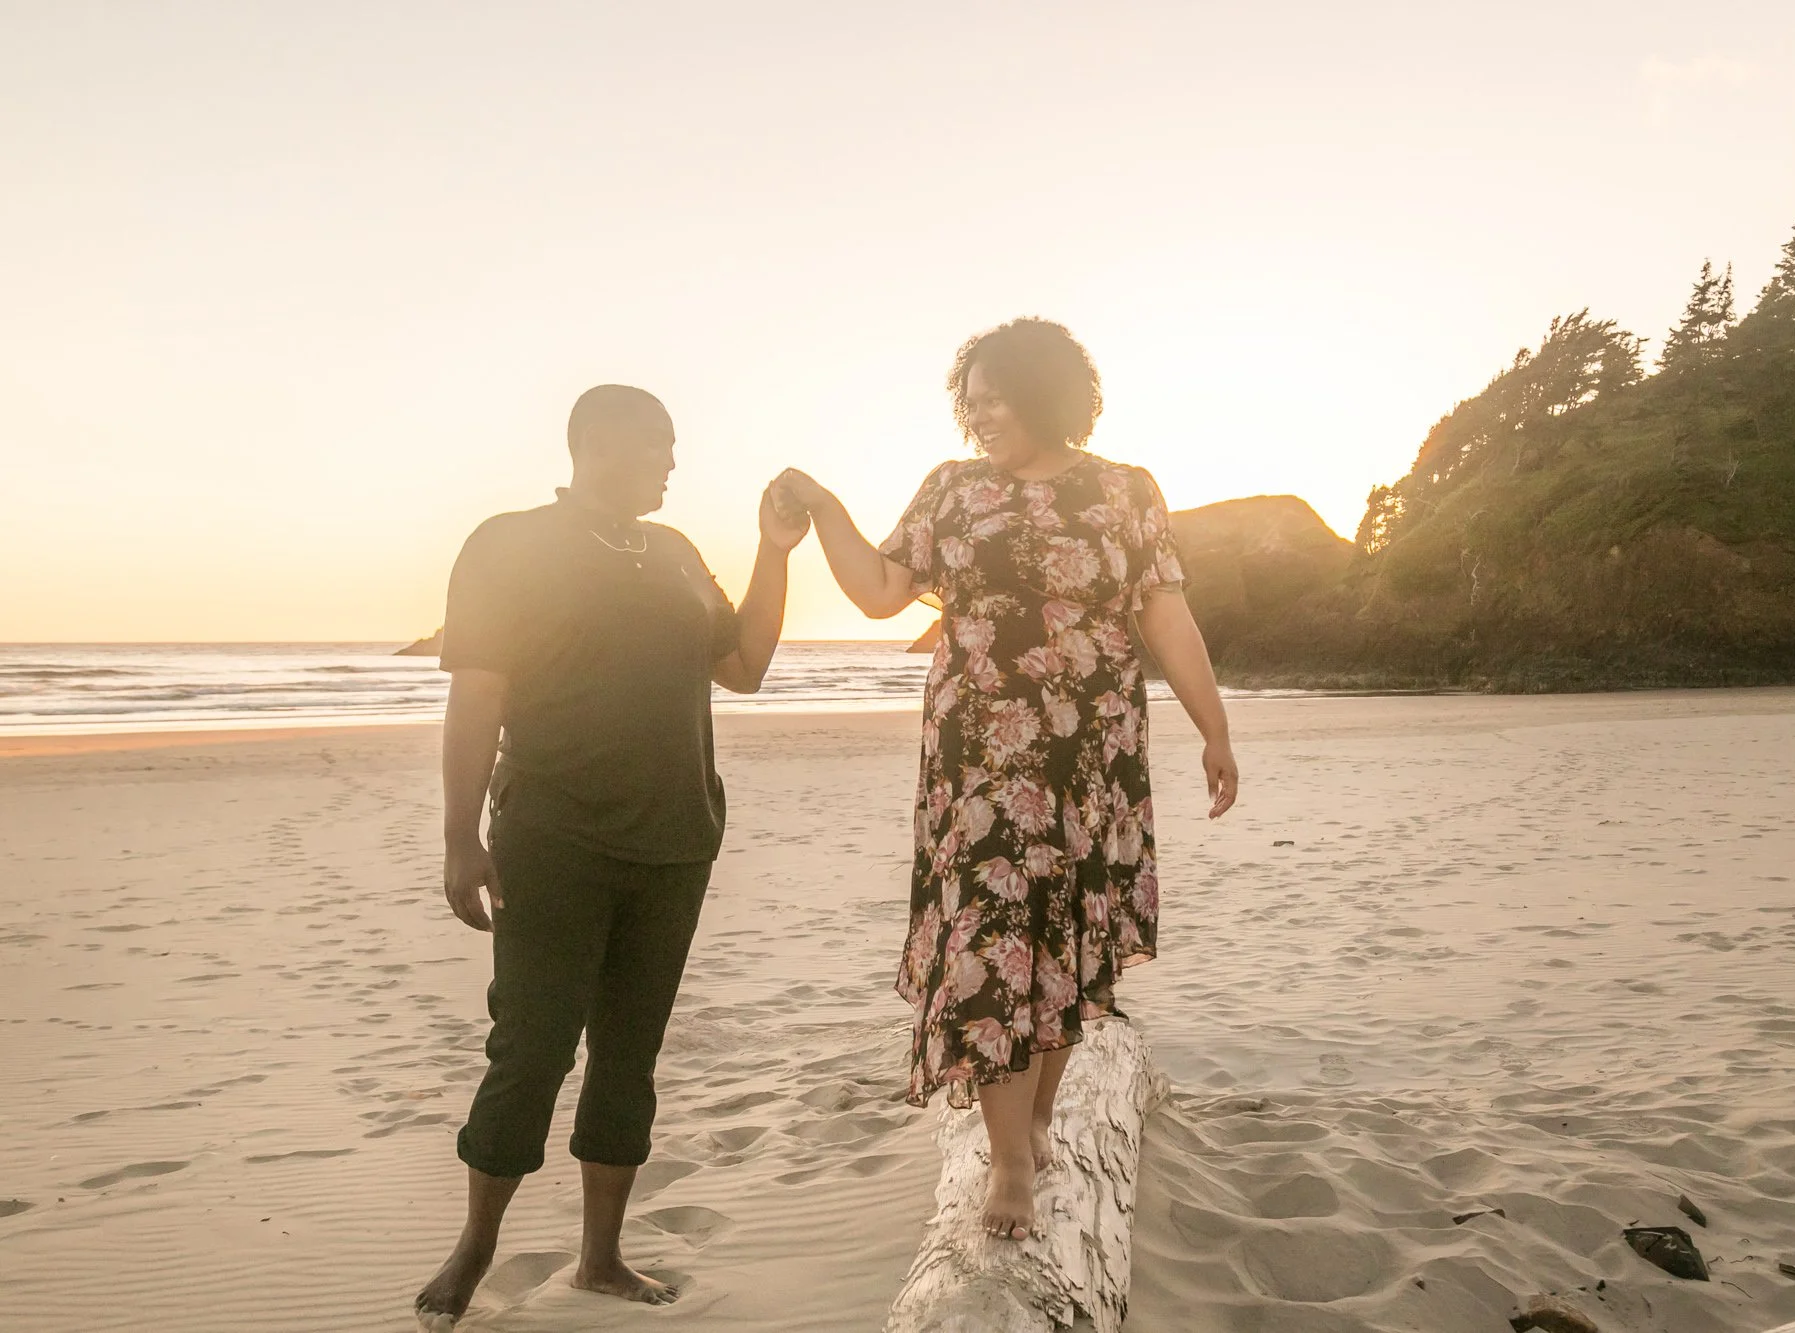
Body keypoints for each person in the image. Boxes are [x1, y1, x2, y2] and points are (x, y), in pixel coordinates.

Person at [776, 317, 1239, 1242]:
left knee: (1064, 939)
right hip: (980, 753)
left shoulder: (1125, 491)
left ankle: (1035, 1118)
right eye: (971, 402)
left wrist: (1214, 727)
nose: (979, 416)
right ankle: (1010, 1160)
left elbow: (1166, 615)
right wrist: (825, 507)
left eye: (995, 398)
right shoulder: (954, 491)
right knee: (992, 936)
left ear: (1043, 393)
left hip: (1090, 751)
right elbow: (880, 591)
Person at [414, 385, 808, 1328]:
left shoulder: (674, 553)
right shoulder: (509, 543)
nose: (672, 461)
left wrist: (773, 551)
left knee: (629, 1056)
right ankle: (475, 1245)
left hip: (675, 843)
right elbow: (477, 693)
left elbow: (745, 667)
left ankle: (601, 1256)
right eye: (657, 443)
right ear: (595, 444)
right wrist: (460, 834)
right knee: (531, 1047)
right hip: (553, 837)